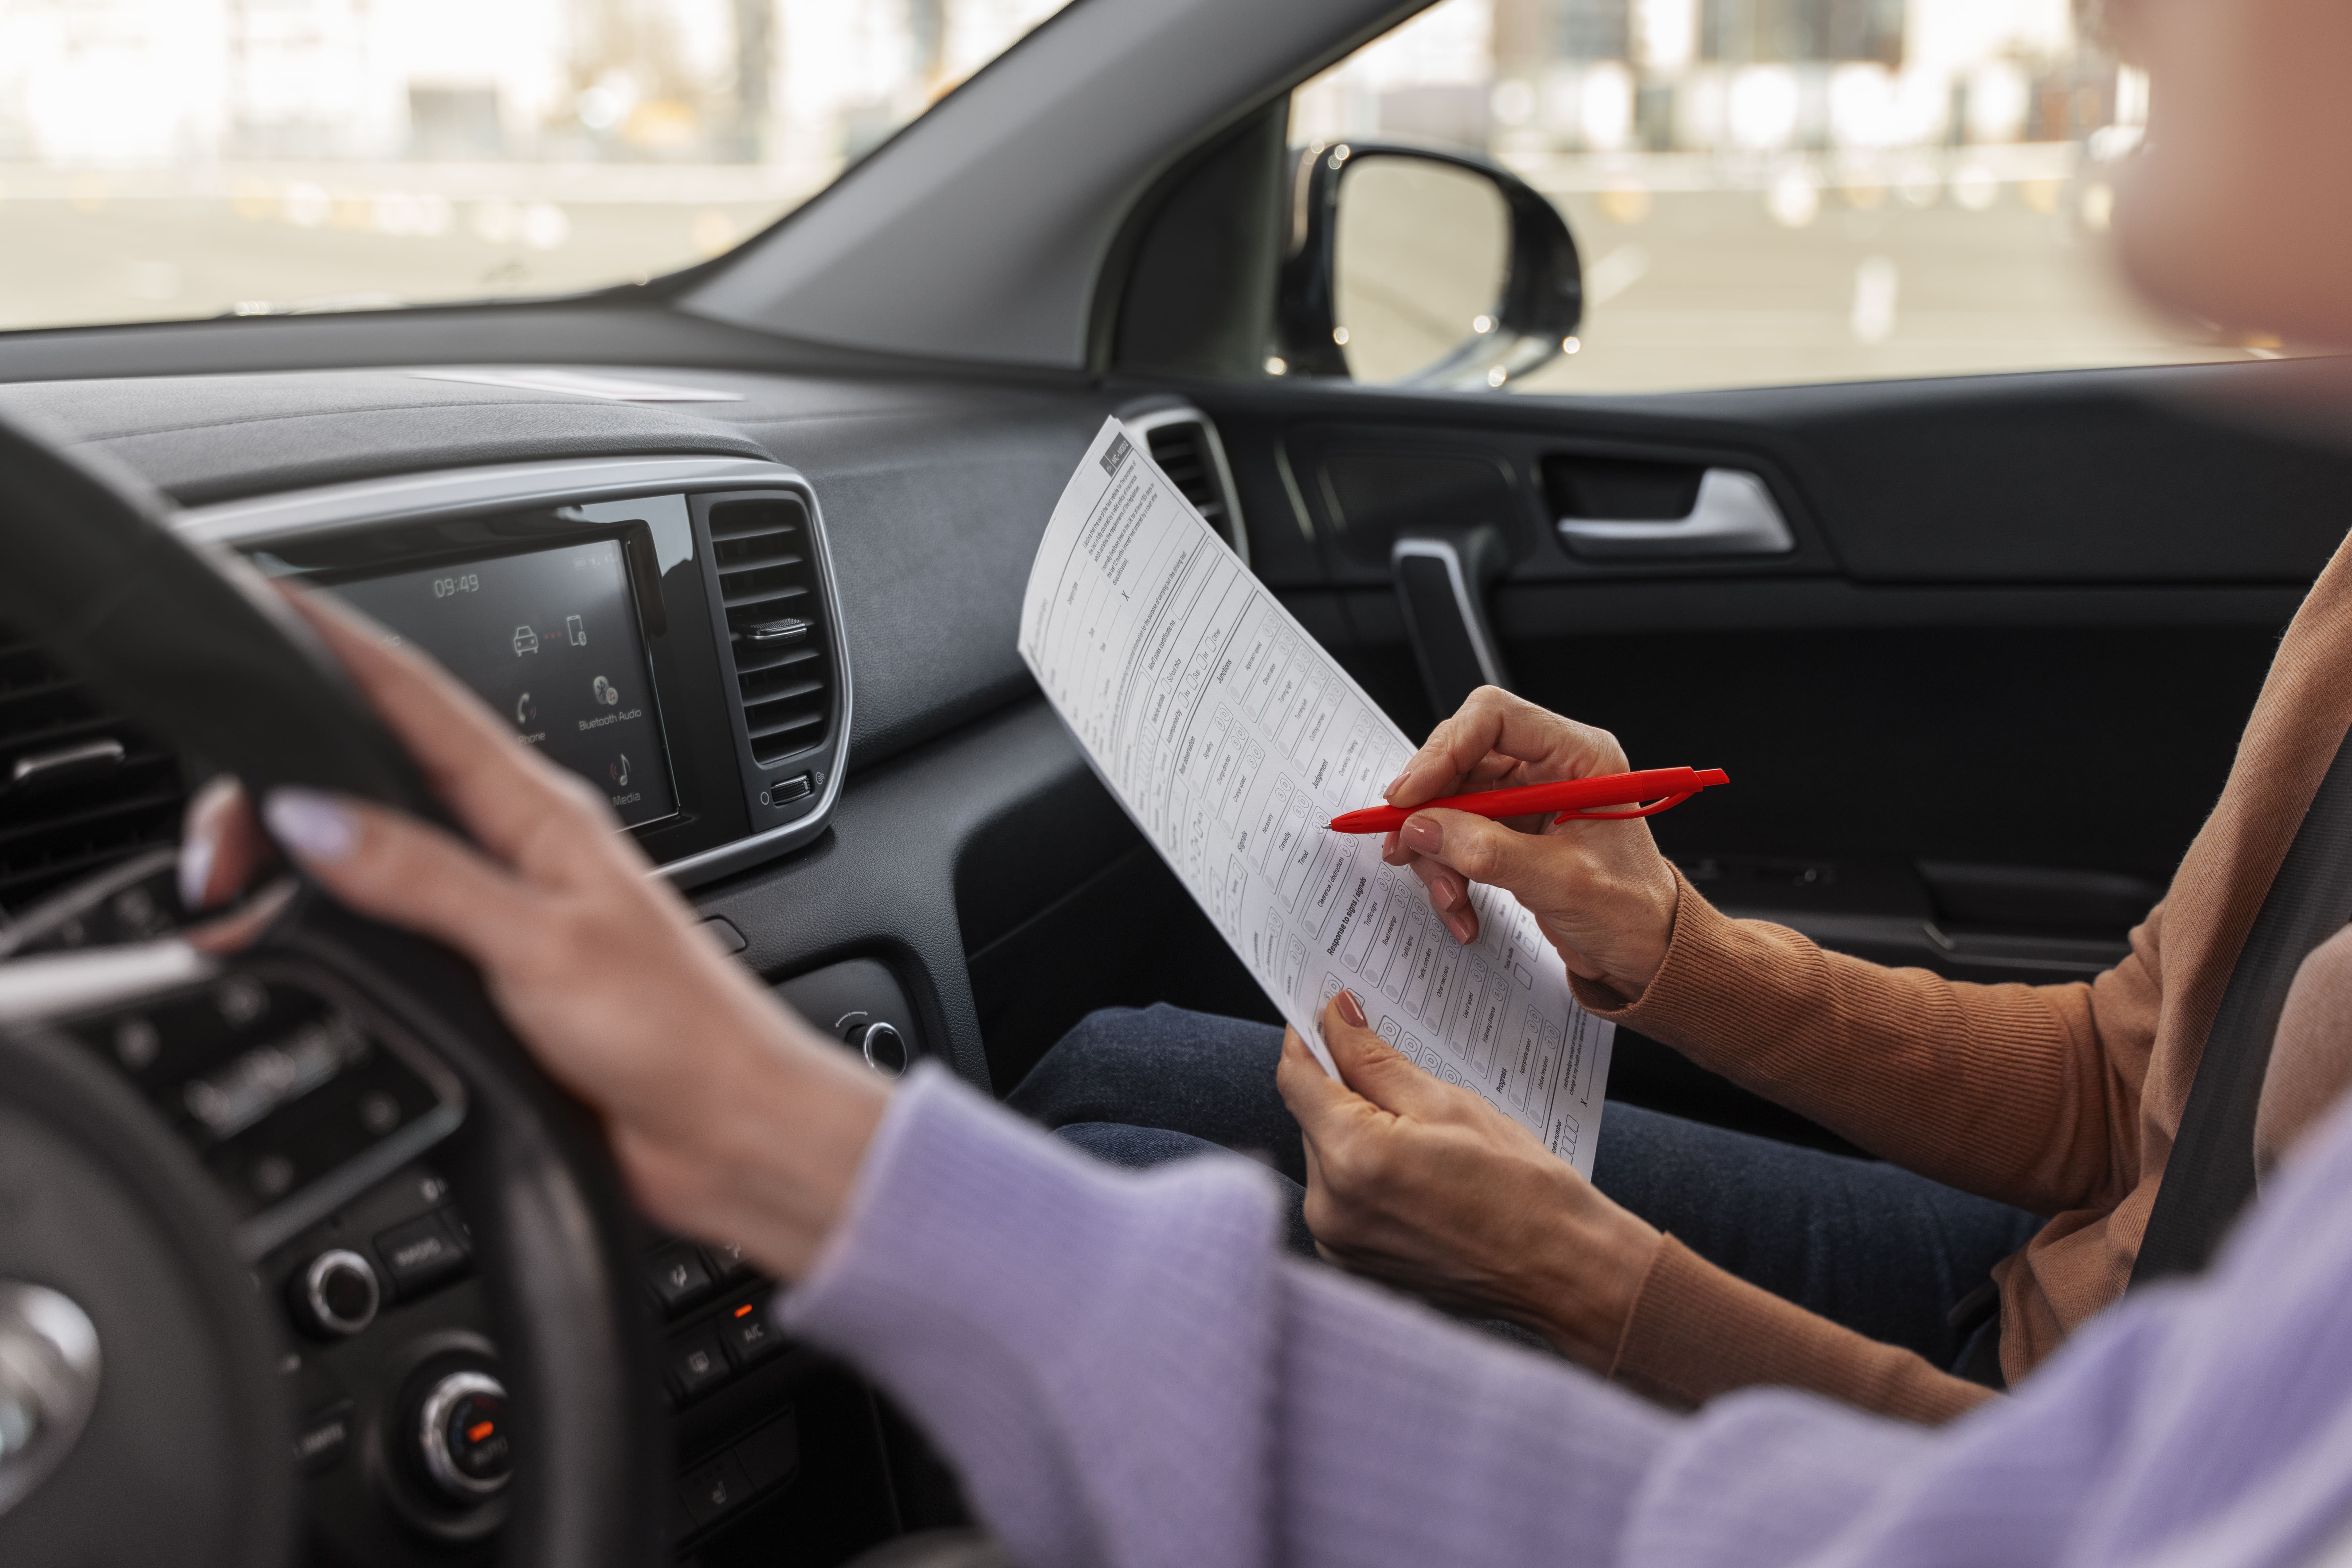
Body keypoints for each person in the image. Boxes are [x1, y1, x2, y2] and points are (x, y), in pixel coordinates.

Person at [179, 0, 2352, 1559]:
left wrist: (1583, 1283)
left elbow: (2056, 1526)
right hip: (2085, 1298)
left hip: (2045, 1399)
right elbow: (2111, 1084)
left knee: (1114, 1187)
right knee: (1123, 1068)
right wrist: (1662, 942)